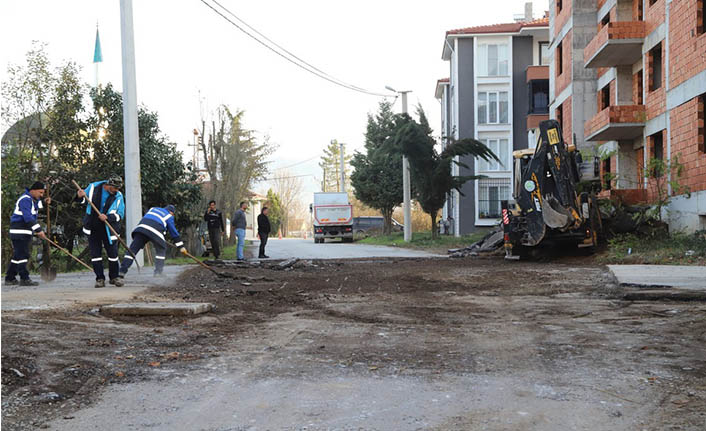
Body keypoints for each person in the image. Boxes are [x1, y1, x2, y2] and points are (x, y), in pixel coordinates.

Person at [76, 175, 125, 288]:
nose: (116, 191)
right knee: (95, 254)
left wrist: (108, 217)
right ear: (108, 186)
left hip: (109, 227)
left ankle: (114, 277)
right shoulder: (93, 187)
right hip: (93, 226)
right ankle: (100, 279)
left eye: (118, 189)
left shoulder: (118, 195)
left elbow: (120, 214)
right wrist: (80, 196)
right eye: (115, 188)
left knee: (113, 254)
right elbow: (83, 199)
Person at [118, 205, 186, 279]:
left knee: (132, 251)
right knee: (161, 249)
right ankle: (158, 272)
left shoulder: (153, 209)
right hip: (155, 231)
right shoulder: (169, 216)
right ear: (171, 212)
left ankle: (122, 271)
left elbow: (150, 220)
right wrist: (181, 246)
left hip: (141, 229)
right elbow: (174, 233)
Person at [5, 182, 49, 286]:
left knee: (18, 255)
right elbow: (28, 217)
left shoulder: (32, 200)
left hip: (25, 231)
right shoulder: (25, 199)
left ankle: (10, 277)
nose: (41, 195)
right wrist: (39, 230)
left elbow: (36, 206)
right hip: (19, 231)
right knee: (23, 254)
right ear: (33, 190)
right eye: (40, 192)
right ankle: (24, 278)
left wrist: (44, 202)